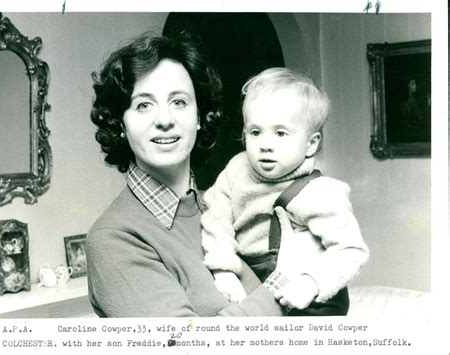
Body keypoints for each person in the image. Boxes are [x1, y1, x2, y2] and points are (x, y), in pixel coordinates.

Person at [86, 32, 299, 317]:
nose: (165, 120)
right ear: (121, 124)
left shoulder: (226, 208)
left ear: (199, 117)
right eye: (144, 105)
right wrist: (285, 281)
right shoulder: (113, 239)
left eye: (179, 102)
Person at [201, 68, 369, 314]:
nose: (266, 145)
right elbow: (216, 219)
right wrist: (223, 268)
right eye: (255, 132)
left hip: (312, 299)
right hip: (256, 283)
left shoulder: (321, 192)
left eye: (280, 133)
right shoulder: (236, 170)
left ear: (311, 144)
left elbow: (351, 249)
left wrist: (312, 283)